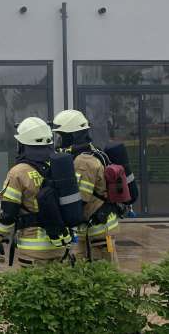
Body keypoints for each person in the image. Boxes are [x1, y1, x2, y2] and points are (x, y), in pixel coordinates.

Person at [0, 117, 72, 267]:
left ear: (22, 145)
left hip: (33, 251)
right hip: (61, 245)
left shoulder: (18, 173)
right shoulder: (60, 166)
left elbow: (8, 214)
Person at [52, 109, 119, 263]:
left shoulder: (83, 162)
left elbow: (80, 200)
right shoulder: (92, 152)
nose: (60, 141)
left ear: (74, 136)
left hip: (98, 231)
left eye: (63, 136)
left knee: (103, 271)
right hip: (96, 228)